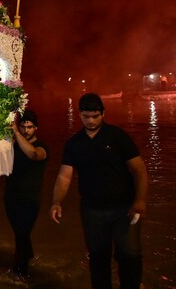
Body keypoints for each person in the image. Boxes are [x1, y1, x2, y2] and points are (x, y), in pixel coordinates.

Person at [49, 93, 148, 289]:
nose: (91, 121)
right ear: (79, 115)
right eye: (86, 116)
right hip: (92, 211)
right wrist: (56, 201)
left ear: (103, 113)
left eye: (95, 116)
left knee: (129, 255)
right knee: (97, 257)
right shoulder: (74, 143)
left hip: (123, 209)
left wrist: (140, 199)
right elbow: (64, 176)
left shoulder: (117, 136)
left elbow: (139, 170)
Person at [4, 109, 48, 277]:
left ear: (36, 128)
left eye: (30, 127)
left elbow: (32, 154)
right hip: (10, 198)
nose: (26, 130)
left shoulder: (42, 147)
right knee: (19, 234)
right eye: (23, 127)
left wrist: (15, 131)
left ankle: (20, 273)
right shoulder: (13, 146)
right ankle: (28, 256)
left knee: (22, 234)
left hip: (30, 200)